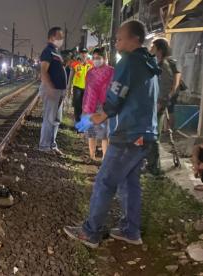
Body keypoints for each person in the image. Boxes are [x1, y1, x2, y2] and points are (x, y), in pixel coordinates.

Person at [64, 20, 160, 248]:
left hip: (128, 133)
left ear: (134, 39)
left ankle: (90, 232)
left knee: (104, 182)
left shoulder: (128, 61)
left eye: (120, 38)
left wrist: (96, 117)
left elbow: (116, 96)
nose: (116, 43)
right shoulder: (149, 62)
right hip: (146, 134)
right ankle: (131, 230)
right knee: (129, 182)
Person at [147, 38, 182, 175]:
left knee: (153, 135)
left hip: (158, 104)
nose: (150, 48)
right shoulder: (159, 63)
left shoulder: (164, 64)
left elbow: (165, 86)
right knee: (152, 134)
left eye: (152, 46)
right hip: (157, 103)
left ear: (159, 49)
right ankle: (151, 164)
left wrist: (160, 103)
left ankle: (154, 167)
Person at [38, 26, 67, 155]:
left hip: (58, 91)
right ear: (51, 37)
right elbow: (43, 71)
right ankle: (44, 146)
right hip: (52, 90)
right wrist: (49, 86)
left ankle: (52, 144)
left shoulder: (56, 52)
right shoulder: (48, 51)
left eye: (62, 37)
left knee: (56, 119)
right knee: (49, 119)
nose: (61, 39)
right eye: (59, 37)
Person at [82, 48, 114, 160]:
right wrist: (85, 107)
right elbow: (87, 90)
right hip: (90, 106)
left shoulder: (111, 71)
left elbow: (114, 89)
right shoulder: (90, 72)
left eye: (98, 58)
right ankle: (92, 156)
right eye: (94, 58)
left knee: (104, 134)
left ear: (104, 58)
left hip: (104, 106)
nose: (96, 60)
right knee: (91, 133)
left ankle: (105, 159)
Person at [71, 48, 93, 123]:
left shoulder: (91, 64)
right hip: (77, 87)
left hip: (87, 88)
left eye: (85, 53)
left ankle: (83, 122)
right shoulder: (75, 64)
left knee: (85, 106)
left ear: (87, 54)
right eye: (82, 53)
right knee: (77, 105)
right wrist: (69, 88)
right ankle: (77, 121)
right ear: (80, 54)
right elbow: (71, 76)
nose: (84, 54)